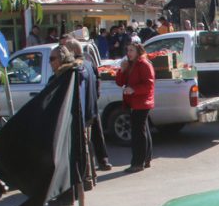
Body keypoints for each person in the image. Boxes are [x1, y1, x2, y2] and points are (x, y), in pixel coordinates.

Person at [64, 38, 112, 173]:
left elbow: (96, 80)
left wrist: (95, 94)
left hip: (85, 110)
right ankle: (94, 171)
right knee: (89, 143)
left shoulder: (78, 67)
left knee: (85, 145)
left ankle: (88, 175)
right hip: (90, 108)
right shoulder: (88, 63)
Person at [115, 42, 155, 173]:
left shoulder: (144, 64)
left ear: (138, 51)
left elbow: (149, 85)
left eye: (131, 50)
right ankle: (145, 159)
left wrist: (134, 90)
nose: (129, 53)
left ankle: (138, 162)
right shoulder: (130, 64)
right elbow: (120, 82)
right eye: (128, 50)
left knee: (138, 133)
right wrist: (122, 70)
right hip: (135, 101)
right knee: (142, 130)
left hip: (142, 102)